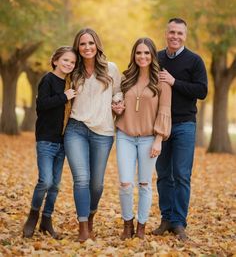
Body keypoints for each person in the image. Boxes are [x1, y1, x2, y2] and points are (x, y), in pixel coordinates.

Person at [153, 18, 208, 240]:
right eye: (172, 32)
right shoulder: (155, 57)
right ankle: (166, 218)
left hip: (184, 124)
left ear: (185, 35)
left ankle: (179, 222)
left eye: (180, 33)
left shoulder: (195, 60)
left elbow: (202, 91)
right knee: (163, 174)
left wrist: (175, 82)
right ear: (166, 33)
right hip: (159, 125)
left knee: (182, 175)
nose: (175, 36)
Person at [64, 28, 121, 242]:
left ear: (97, 45)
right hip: (76, 129)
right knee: (81, 179)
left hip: (103, 132)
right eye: (82, 44)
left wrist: (117, 103)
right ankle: (82, 229)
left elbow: (118, 91)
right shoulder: (73, 71)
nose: (87, 47)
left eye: (90, 43)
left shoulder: (111, 68)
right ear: (77, 48)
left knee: (96, 184)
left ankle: (90, 218)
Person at [114, 38, 171, 240]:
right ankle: (127, 223)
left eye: (147, 53)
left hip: (149, 139)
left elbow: (164, 111)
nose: (143, 57)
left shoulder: (162, 81)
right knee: (125, 183)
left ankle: (141, 226)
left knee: (145, 184)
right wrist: (116, 108)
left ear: (153, 56)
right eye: (139, 53)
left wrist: (158, 139)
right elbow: (117, 103)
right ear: (134, 55)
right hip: (125, 136)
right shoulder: (126, 78)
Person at [23, 46, 77, 239]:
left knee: (55, 185)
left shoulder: (70, 83)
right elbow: (41, 105)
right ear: (55, 60)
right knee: (45, 181)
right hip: (46, 139)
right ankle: (32, 216)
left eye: (72, 62)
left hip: (63, 141)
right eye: (65, 60)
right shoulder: (48, 79)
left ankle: (46, 220)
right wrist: (64, 97)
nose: (68, 64)